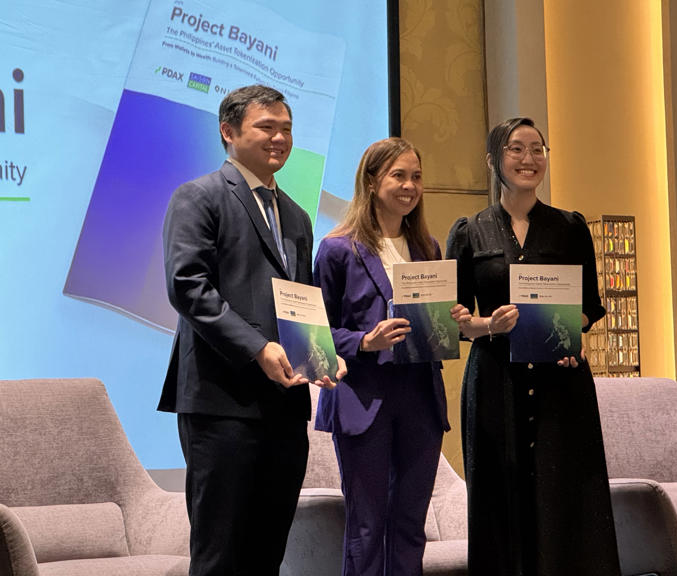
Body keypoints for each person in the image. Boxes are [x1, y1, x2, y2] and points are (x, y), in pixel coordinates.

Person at [159, 84, 345, 576]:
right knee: (220, 555)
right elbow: (188, 287)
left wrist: (321, 352)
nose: (280, 138)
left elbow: (299, 298)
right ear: (228, 131)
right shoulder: (199, 196)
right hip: (221, 403)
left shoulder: (297, 215)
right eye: (267, 127)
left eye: (286, 129)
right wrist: (257, 348)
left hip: (284, 405)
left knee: (268, 554)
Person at [446, 117, 621, 575]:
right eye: (516, 149)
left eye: (537, 149)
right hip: (494, 382)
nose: (529, 159)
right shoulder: (468, 231)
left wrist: (568, 329)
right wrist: (489, 324)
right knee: (497, 499)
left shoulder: (570, 227)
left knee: (565, 499)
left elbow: (590, 307)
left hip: (559, 382)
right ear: (493, 160)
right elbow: (456, 323)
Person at [313, 137, 454, 575]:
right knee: (367, 527)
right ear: (372, 181)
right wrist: (363, 342)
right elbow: (315, 333)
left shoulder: (428, 248)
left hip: (420, 398)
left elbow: (434, 326)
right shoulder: (338, 248)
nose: (410, 186)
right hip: (363, 398)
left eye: (416, 177)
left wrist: (450, 320)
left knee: (411, 526)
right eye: (399, 176)